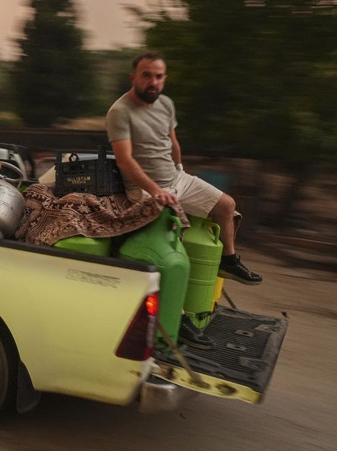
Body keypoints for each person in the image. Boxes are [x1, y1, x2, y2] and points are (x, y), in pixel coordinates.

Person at [106, 51, 262, 349]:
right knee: (171, 250)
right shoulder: (120, 111)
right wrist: (155, 190)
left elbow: (173, 143)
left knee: (227, 206)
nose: (153, 82)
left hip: (177, 179)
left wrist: (180, 170)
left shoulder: (166, 104)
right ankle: (178, 318)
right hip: (144, 188)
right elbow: (125, 161)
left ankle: (228, 260)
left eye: (158, 76)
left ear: (164, 79)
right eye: (146, 75)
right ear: (133, 77)